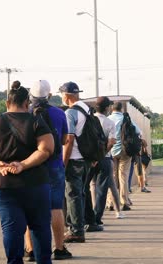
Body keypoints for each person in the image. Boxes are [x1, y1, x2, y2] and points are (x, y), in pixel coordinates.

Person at [0, 85, 55, 264]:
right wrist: (22, 165)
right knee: (40, 227)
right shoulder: (36, 121)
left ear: (7, 102)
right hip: (35, 183)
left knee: (11, 229)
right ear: (26, 102)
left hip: (3, 184)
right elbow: (46, 149)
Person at [24, 80, 72, 261]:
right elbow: (63, 140)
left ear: (30, 96)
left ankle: (30, 250)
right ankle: (59, 248)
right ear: (49, 95)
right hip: (54, 166)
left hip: (31, 166)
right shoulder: (60, 113)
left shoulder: (26, 113)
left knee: (29, 208)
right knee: (55, 208)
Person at [60, 81, 93, 243]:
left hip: (74, 159)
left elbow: (69, 140)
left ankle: (76, 230)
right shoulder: (87, 109)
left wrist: (63, 163)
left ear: (66, 96)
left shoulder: (70, 113)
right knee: (80, 194)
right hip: (86, 159)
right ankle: (78, 225)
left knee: (72, 195)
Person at [92, 96, 126, 225]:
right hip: (105, 158)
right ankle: (100, 216)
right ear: (107, 108)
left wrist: (93, 158)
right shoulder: (109, 122)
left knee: (91, 186)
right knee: (106, 187)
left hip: (89, 159)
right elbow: (111, 142)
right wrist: (101, 156)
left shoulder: (89, 120)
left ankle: (90, 213)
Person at [108, 102, 142, 211]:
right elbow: (139, 132)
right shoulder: (127, 119)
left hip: (111, 151)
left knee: (112, 177)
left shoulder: (108, 119)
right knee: (123, 176)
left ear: (112, 109)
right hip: (125, 151)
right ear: (121, 109)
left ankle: (111, 202)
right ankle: (124, 201)